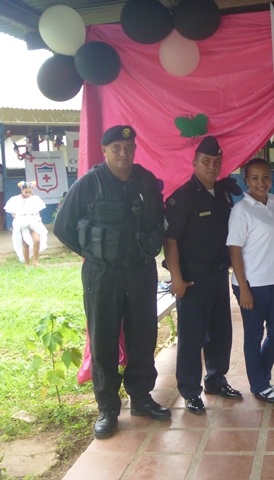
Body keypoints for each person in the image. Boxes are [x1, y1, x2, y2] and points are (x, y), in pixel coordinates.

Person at [53, 125, 169, 439]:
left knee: (143, 334)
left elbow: (157, 221)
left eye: (128, 148)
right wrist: (94, 253)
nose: (123, 153)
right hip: (102, 274)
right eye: (116, 148)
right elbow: (62, 227)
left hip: (140, 270)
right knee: (103, 339)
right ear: (105, 150)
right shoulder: (89, 183)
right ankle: (107, 409)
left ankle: (141, 398)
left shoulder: (146, 181)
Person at [164, 135, 243, 416]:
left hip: (219, 274)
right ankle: (190, 391)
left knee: (220, 332)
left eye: (216, 162)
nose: (212, 167)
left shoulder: (222, 194)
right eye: (206, 161)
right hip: (193, 278)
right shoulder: (183, 197)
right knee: (192, 337)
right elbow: (170, 240)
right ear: (195, 163)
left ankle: (215, 379)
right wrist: (176, 279)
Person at [227, 158, 274, 403]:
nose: (261, 183)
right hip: (251, 284)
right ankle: (260, 384)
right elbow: (234, 251)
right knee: (254, 335)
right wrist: (244, 288)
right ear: (246, 181)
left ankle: (261, 377)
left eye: (265, 177)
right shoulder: (241, 211)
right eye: (255, 178)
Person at [5, 180, 48, 265]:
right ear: (22, 190)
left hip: (33, 221)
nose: (28, 194)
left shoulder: (35, 199)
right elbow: (12, 212)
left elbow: (37, 211)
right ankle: (27, 263)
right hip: (21, 222)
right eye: (26, 192)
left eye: (30, 192)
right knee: (25, 242)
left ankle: (35, 260)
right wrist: (18, 219)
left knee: (37, 240)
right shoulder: (15, 200)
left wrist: (37, 219)